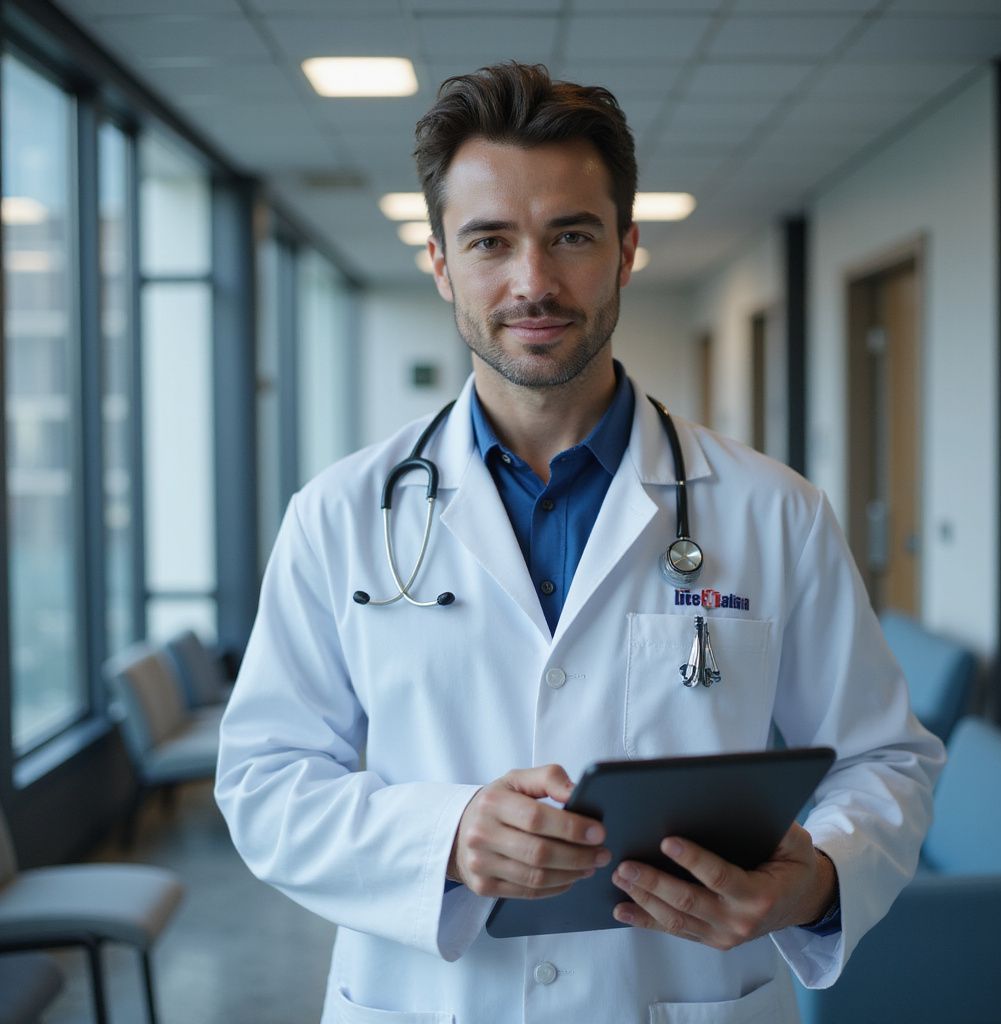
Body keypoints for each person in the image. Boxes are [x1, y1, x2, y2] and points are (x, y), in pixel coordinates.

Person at [216, 63, 944, 1023]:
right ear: (438, 260)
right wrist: (446, 836)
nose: (534, 282)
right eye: (489, 241)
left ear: (626, 249)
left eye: (571, 234)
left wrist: (814, 882)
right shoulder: (339, 516)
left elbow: (887, 759)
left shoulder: (776, 512)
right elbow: (265, 782)